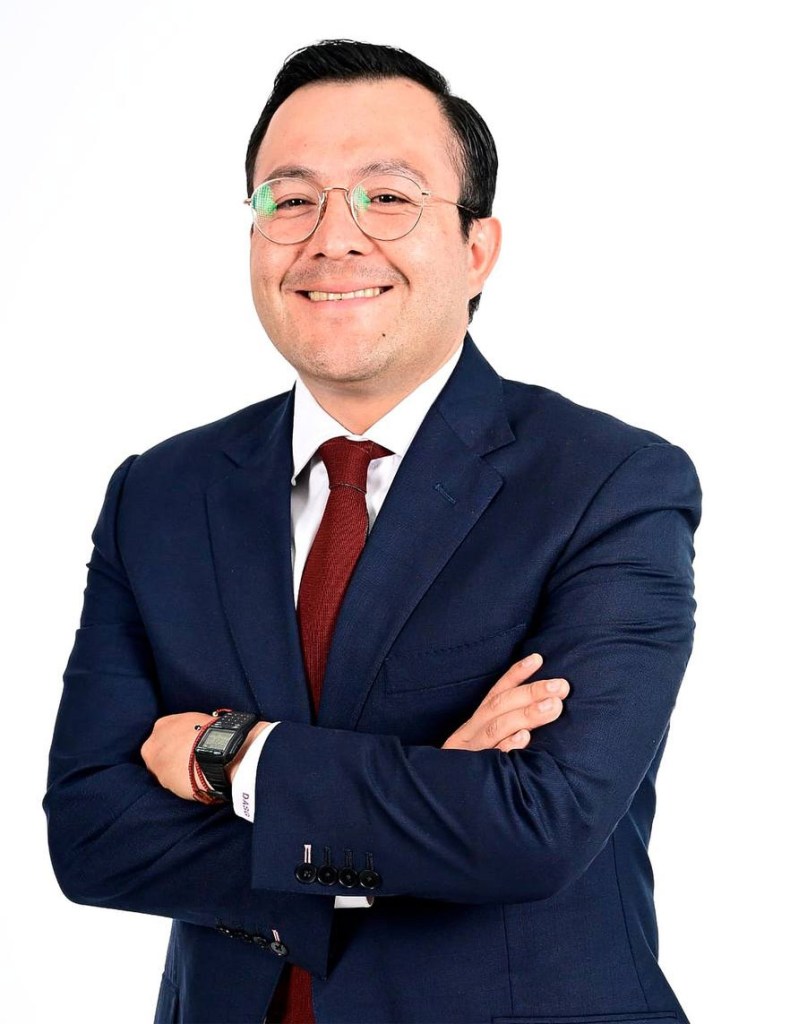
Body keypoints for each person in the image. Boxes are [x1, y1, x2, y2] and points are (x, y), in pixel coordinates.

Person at [44, 39, 701, 1024]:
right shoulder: (162, 493)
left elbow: (539, 825)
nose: (333, 238)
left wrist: (236, 757)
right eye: (290, 199)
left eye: (387, 197)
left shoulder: (610, 484)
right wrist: (428, 806)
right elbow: (93, 834)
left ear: (476, 249)